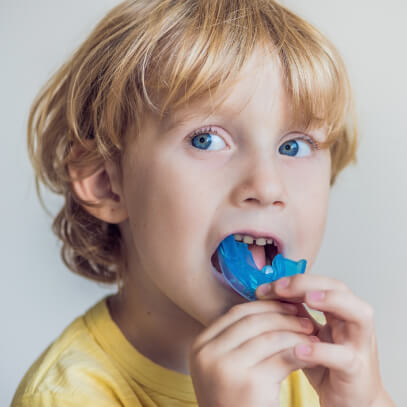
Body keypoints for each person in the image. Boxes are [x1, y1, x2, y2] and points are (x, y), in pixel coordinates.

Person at [11, 0, 395, 406]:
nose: (267, 186)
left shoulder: (306, 362)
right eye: (206, 140)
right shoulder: (66, 396)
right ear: (107, 183)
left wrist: (365, 400)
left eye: (294, 146)